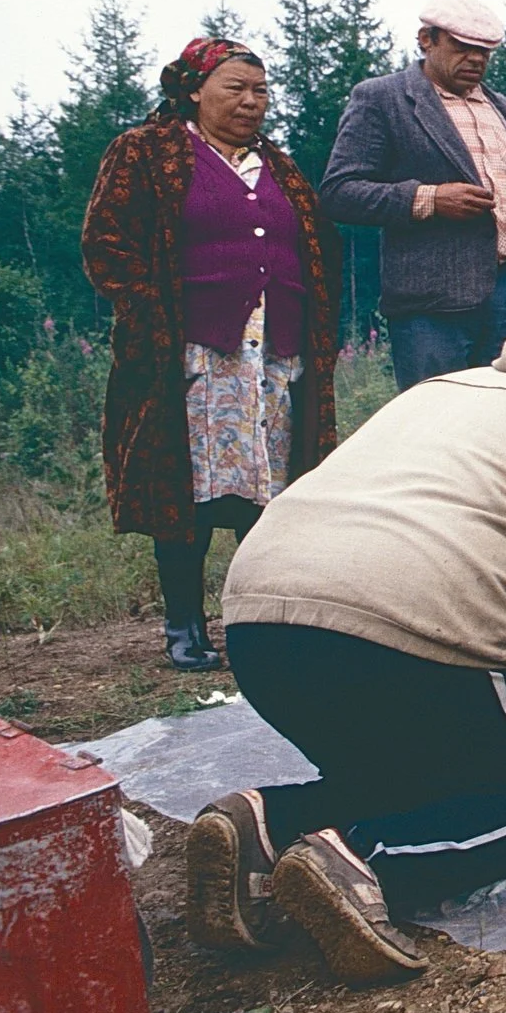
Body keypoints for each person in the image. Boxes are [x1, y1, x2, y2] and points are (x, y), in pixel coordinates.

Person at [185, 321, 506, 985]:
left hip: (261, 620)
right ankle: (362, 863)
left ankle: (263, 821)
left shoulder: (453, 385)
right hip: (422, 618)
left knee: (420, 783)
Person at [81, 37, 340, 672]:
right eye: (234, 89)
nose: (251, 102)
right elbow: (106, 243)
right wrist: (151, 315)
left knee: (270, 493)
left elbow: (316, 251)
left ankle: (256, 624)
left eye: (260, 91)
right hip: (193, 356)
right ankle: (184, 626)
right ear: (194, 90)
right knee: (188, 491)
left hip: (274, 355)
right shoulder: (147, 152)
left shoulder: (278, 164)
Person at [321, 0, 506, 390]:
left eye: (485, 52)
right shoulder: (382, 98)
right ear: (426, 39)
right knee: (437, 429)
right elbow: (339, 191)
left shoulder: (505, 110)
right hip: (430, 308)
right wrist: (429, 200)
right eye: (462, 47)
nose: (475, 60)